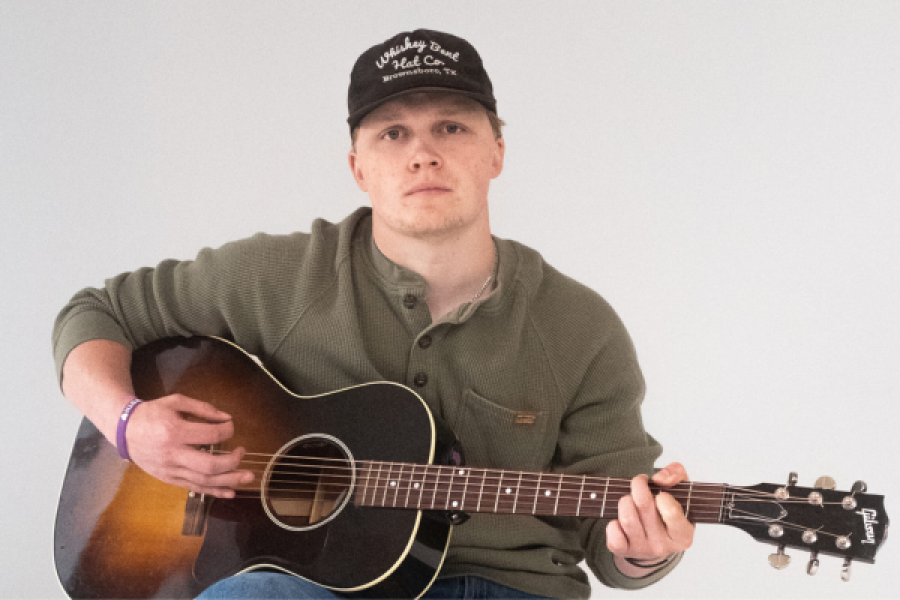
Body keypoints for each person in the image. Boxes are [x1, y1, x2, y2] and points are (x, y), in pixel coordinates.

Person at [53, 29, 693, 599]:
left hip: (511, 586)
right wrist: (128, 422)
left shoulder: (581, 328)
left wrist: (642, 552)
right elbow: (96, 313)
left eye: (452, 127)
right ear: (358, 166)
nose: (423, 154)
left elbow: (613, 543)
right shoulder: (279, 275)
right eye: (393, 133)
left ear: (496, 152)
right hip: (298, 581)